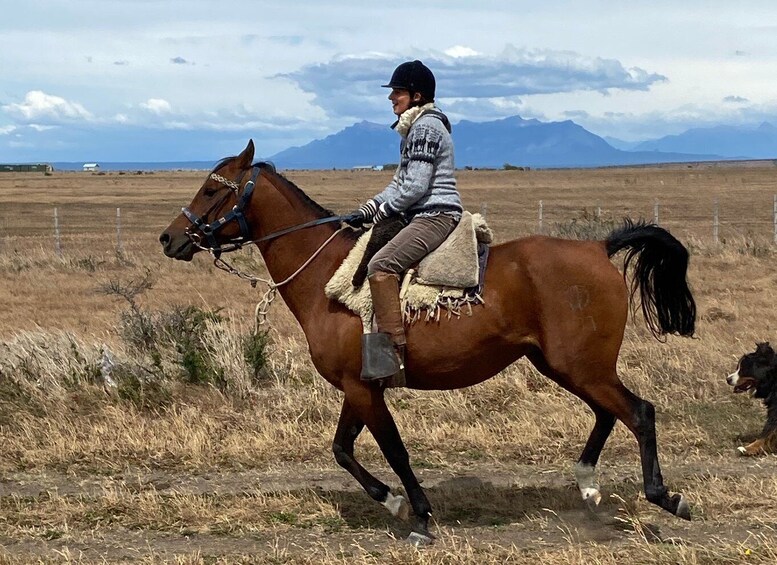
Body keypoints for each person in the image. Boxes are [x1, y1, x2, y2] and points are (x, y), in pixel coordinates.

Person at [346, 60, 463, 383]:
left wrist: (384, 212)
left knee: (380, 266)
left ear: (416, 95)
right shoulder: (414, 129)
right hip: (422, 212)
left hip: (435, 215)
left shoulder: (425, 128)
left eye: (396, 92)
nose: (391, 98)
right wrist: (368, 209)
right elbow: (399, 183)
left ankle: (392, 353)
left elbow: (415, 187)